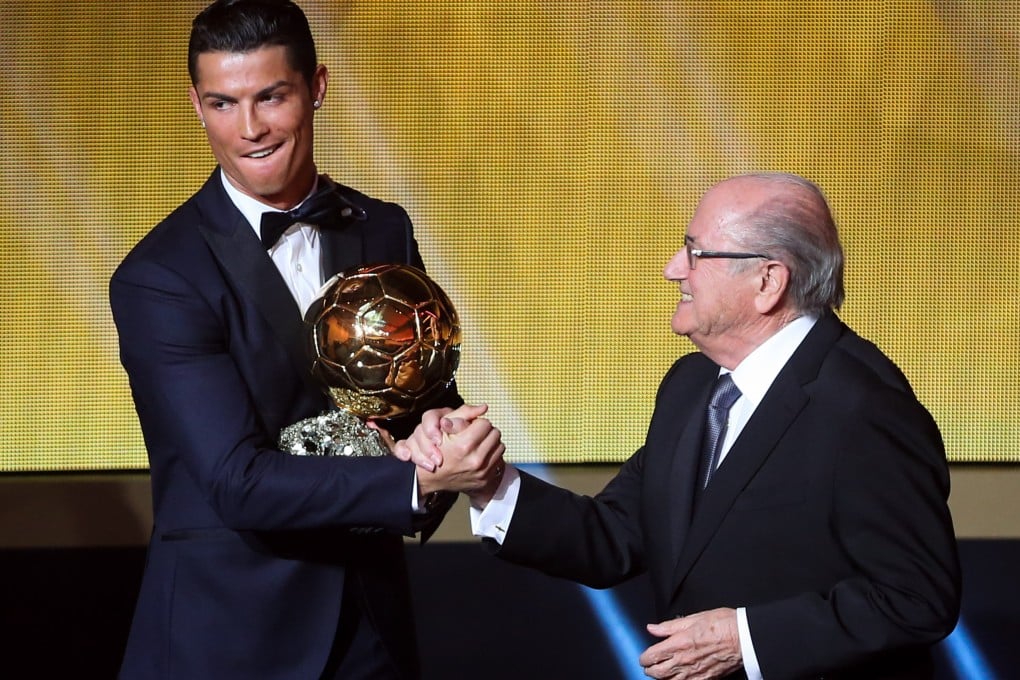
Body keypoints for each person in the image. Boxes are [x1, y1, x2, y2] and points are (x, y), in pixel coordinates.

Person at [404, 172, 962, 679]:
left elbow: (915, 598)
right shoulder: (692, 385)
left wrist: (744, 639)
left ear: (768, 281)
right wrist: (488, 482)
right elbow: (617, 533)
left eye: (695, 253)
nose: (673, 268)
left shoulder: (864, 408)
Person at [109, 1, 501, 678]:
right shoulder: (160, 277)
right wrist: (413, 480)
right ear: (196, 106)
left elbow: (419, 395)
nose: (250, 128)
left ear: (316, 88)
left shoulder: (382, 228)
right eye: (223, 103)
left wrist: (444, 433)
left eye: (271, 97)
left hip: (371, 629)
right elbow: (237, 482)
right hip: (231, 639)